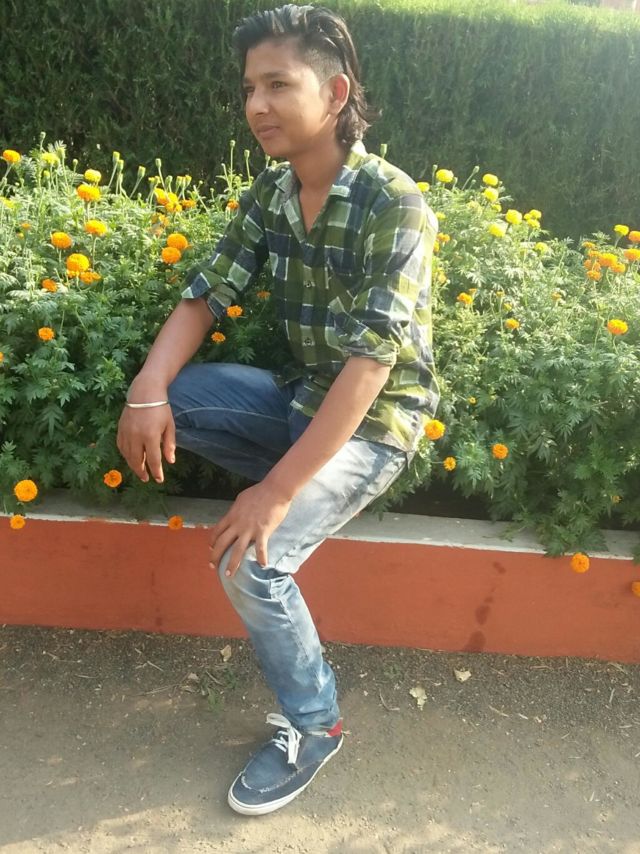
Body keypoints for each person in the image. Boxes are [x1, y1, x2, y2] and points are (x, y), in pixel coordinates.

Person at [117, 3, 439, 816]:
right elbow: (206, 294)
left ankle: (316, 723)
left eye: (277, 85)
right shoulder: (273, 192)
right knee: (171, 398)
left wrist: (277, 492)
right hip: (299, 401)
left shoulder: (394, 203)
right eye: (248, 88)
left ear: (335, 93)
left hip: (374, 424)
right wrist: (145, 392)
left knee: (251, 562)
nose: (256, 105)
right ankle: (292, 489)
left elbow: (371, 365)